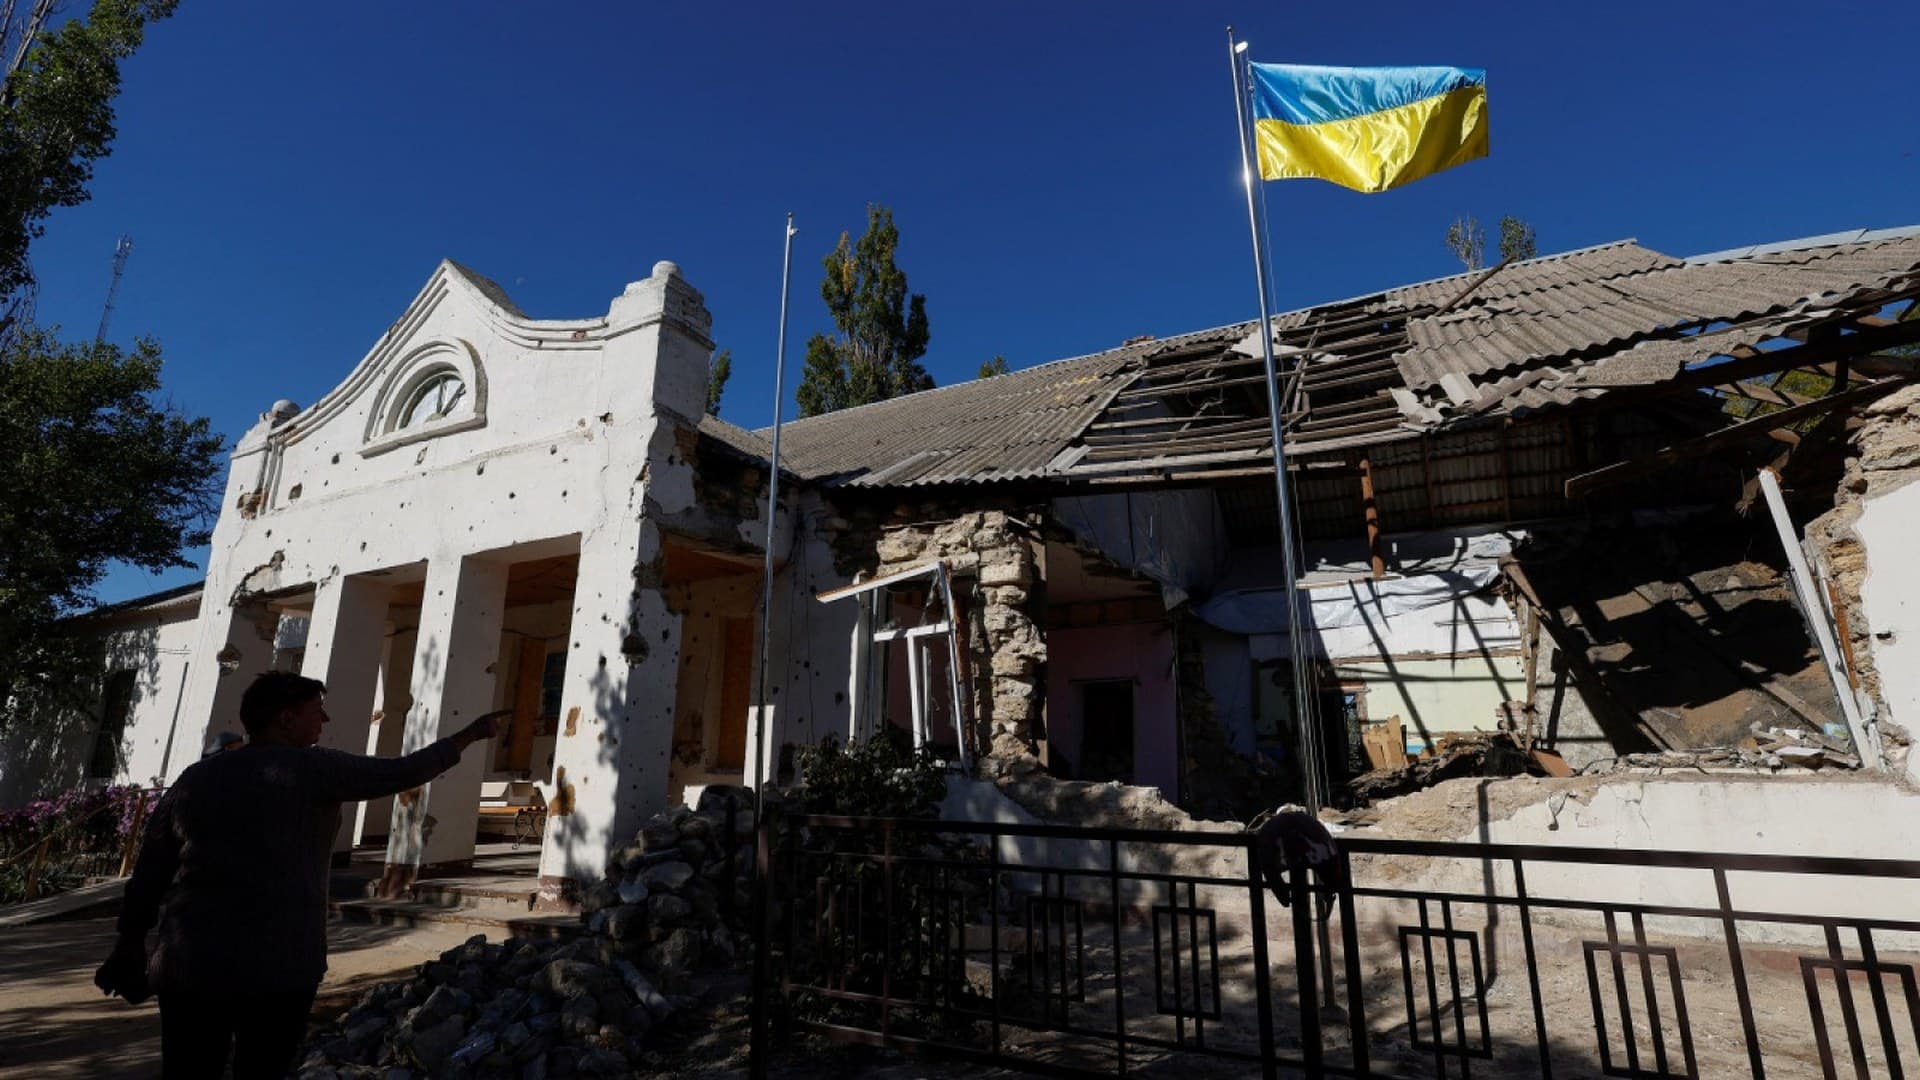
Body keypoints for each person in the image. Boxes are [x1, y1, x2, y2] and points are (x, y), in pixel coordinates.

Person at [94, 671, 508, 1079]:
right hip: (278, 970)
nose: (324, 721)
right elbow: (402, 772)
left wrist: (130, 943)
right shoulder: (312, 769)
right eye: (317, 711)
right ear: (287, 719)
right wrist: (469, 735)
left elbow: (150, 872)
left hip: (191, 965)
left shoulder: (195, 778)